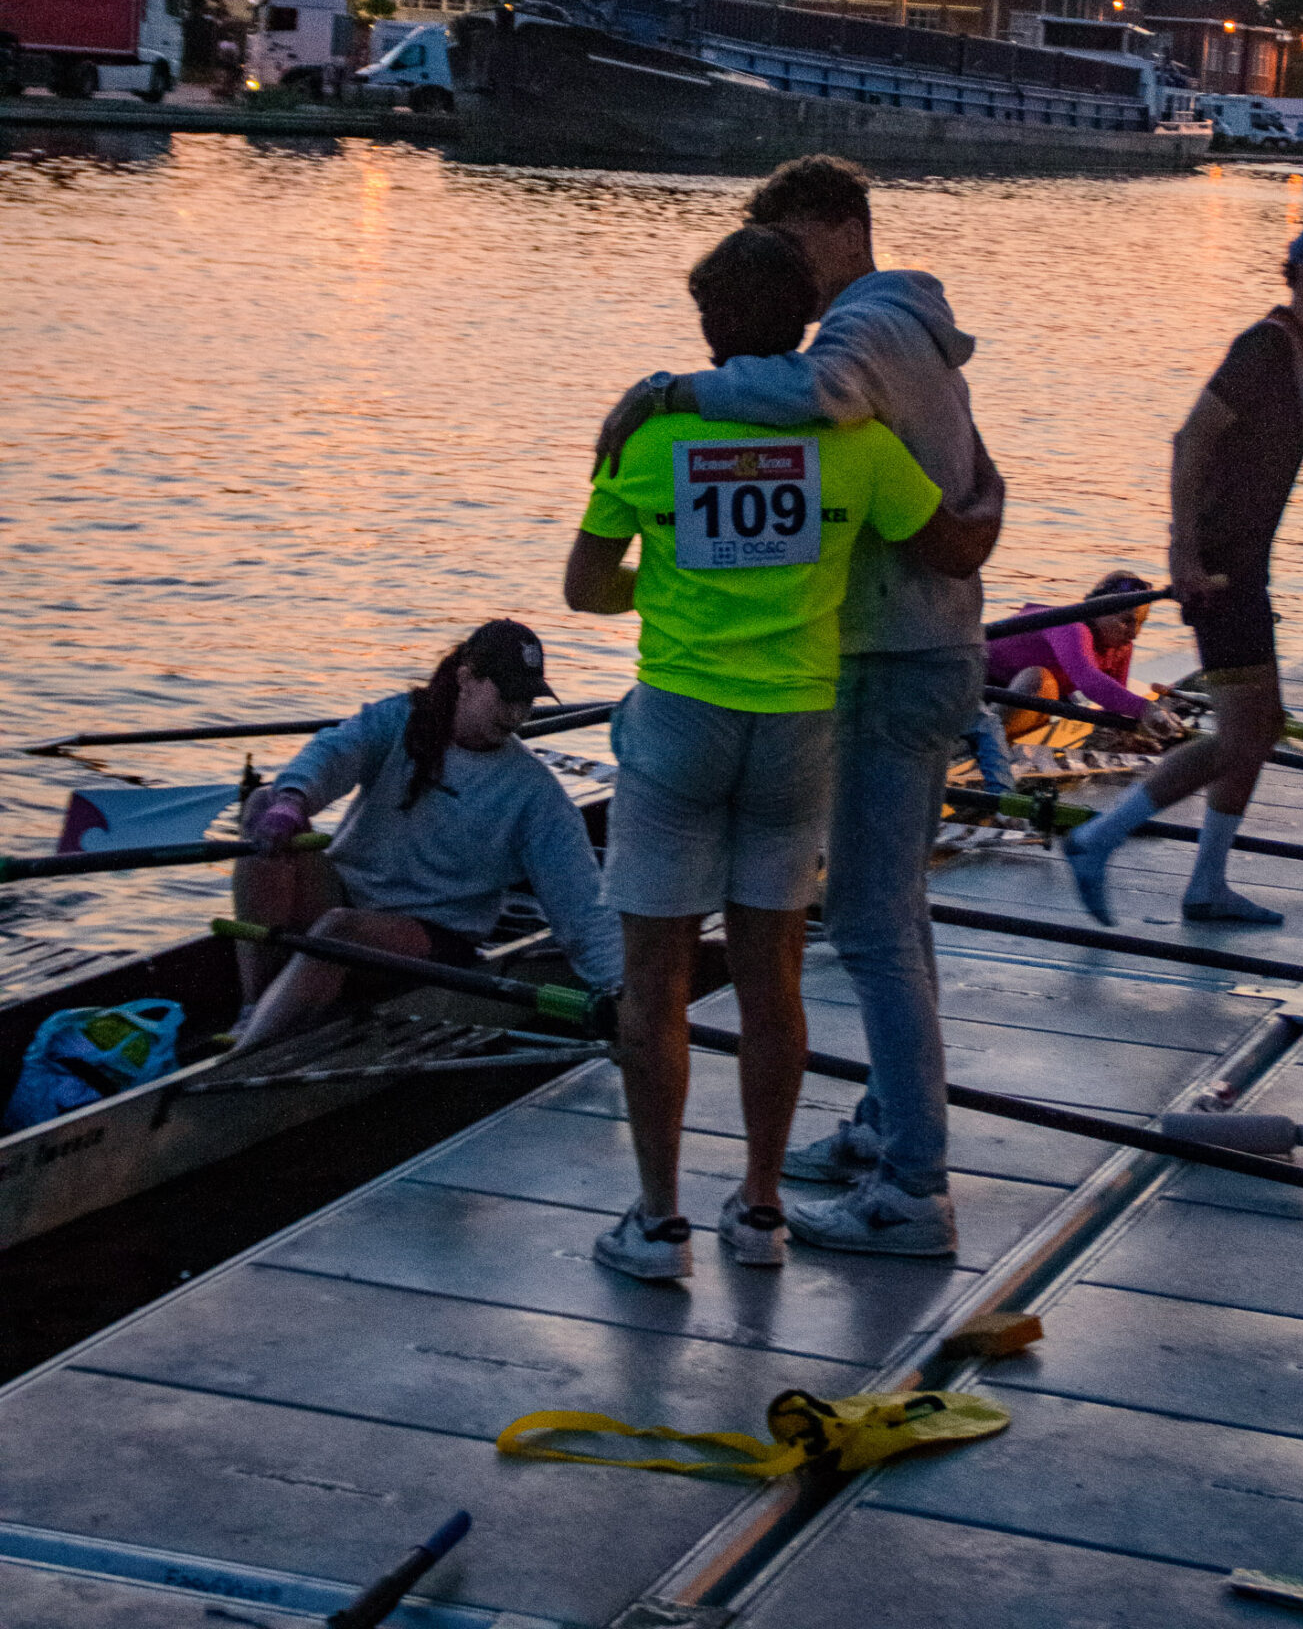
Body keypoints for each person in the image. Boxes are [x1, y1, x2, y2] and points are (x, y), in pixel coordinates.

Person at [592, 154, 1003, 1260]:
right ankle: (869, 1130)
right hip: (898, 660)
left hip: (878, 663)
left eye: (784, 239)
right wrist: (980, 521)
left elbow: (812, 398)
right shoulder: (906, 339)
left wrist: (665, 393)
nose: (786, 268)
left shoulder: (858, 338)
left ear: (831, 228)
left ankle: (911, 1186)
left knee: (865, 926)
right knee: (871, 919)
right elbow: (960, 511)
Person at [1062, 218, 1303, 929]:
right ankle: (1097, 840)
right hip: (1218, 575)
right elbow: (1192, 438)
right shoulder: (1264, 349)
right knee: (1244, 735)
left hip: (1248, 571)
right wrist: (1181, 551)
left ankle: (1208, 882)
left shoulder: (1300, 352)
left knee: (1262, 724)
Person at [232, 620, 622, 1049]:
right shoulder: (400, 719)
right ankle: (256, 1005)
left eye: (525, 700)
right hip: (347, 894)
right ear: (466, 678)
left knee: (339, 932)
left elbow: (581, 908)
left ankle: (250, 1049)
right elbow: (335, 751)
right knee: (262, 804)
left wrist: (623, 992)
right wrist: (294, 800)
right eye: (505, 696)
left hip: (435, 934)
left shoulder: (534, 794)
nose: (515, 714)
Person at [986, 569, 1179, 738]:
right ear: (1097, 610)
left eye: (1141, 623)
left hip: (1009, 694)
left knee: (1049, 691)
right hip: (976, 681)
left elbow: (1113, 704)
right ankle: (979, 744)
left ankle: (1003, 736)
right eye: (1126, 621)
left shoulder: (1122, 645)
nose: (1134, 633)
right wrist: (1146, 709)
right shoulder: (1071, 628)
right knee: (1041, 681)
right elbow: (1090, 682)